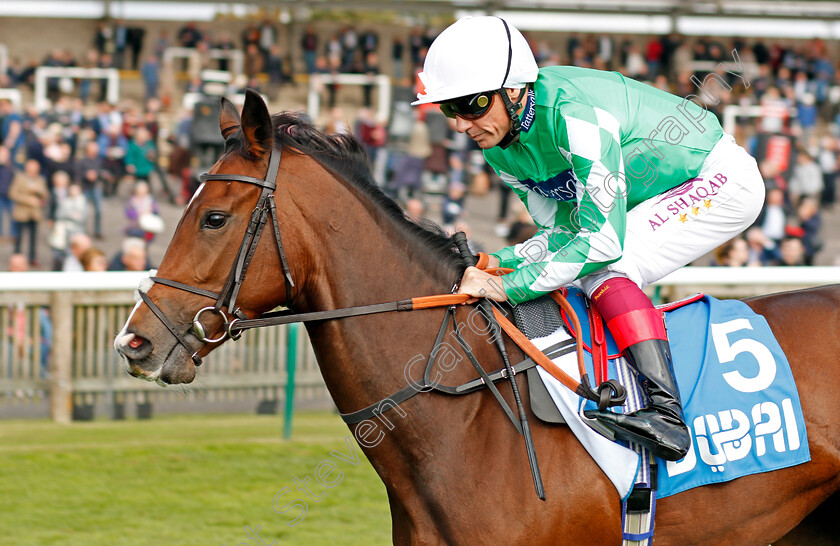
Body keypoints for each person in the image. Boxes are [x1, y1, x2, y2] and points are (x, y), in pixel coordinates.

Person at [413, 17, 765, 461]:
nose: (462, 125)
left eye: (472, 105)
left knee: (604, 266)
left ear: (516, 90)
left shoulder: (573, 114)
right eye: (450, 109)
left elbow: (599, 242)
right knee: (575, 266)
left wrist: (507, 285)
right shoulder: (500, 147)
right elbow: (562, 232)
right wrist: (496, 261)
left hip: (719, 179)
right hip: (653, 195)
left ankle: (667, 415)